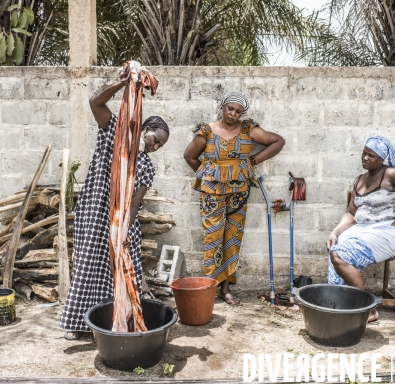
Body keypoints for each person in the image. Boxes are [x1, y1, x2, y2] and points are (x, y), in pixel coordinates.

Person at [59, 78, 170, 340]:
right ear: (145, 128)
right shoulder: (114, 132)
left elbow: (134, 205)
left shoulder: (146, 166)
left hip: (121, 222)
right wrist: (124, 82)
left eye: (160, 146)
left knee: (120, 271)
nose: (155, 146)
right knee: (88, 264)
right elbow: (94, 102)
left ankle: (117, 326)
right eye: (156, 139)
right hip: (95, 210)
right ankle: (78, 324)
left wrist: (123, 232)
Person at [183, 91, 285, 305]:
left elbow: (277, 141)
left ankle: (226, 288)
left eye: (238, 111)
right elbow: (189, 156)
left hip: (239, 192)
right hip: (212, 193)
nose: (233, 114)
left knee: (232, 238)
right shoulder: (207, 131)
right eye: (230, 109)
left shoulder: (248, 129)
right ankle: (210, 286)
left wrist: (252, 161)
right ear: (223, 107)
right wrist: (208, 173)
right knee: (213, 237)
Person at [326, 135, 395, 322]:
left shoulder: (390, 174)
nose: (365, 158)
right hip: (363, 230)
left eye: (371, 155)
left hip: (388, 231)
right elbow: (351, 213)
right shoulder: (359, 180)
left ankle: (368, 309)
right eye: (364, 153)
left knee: (339, 254)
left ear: (382, 158)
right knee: (336, 246)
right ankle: (341, 303)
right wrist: (334, 232)